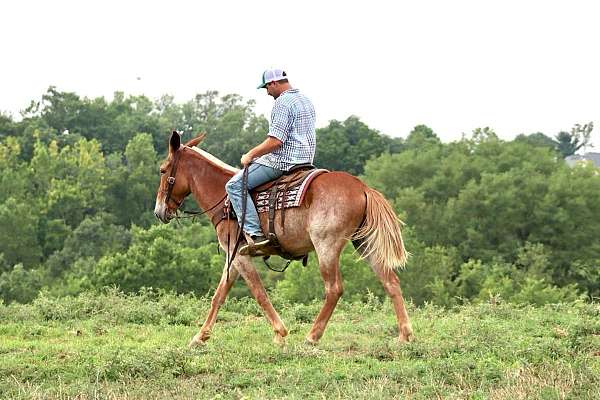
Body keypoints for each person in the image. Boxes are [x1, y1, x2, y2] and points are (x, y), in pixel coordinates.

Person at [225, 68, 316, 253]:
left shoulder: (282, 103)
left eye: (267, 87)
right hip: (307, 160)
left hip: (284, 161)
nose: (267, 92)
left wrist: (251, 154)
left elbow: (276, 141)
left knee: (234, 186)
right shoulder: (305, 100)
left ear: (274, 83)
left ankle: (256, 235)